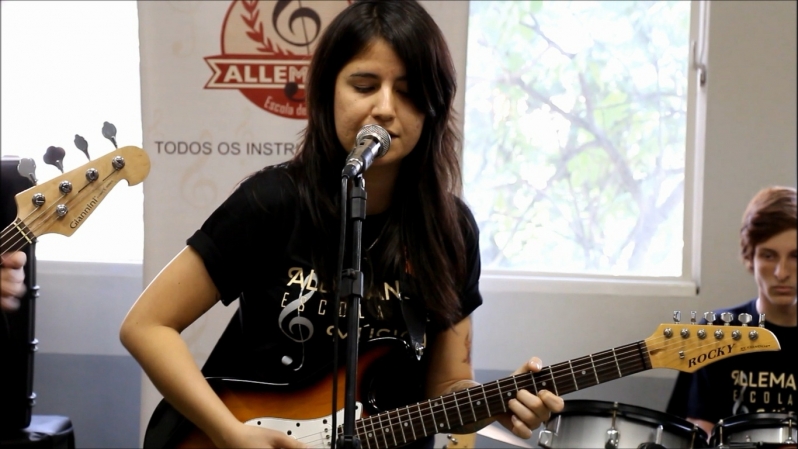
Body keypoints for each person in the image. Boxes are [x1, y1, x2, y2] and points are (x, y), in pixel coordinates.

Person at [119, 1, 564, 448]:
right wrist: (229, 433)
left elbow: (446, 388)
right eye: (364, 85)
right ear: (327, 91)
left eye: (408, 91)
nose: (385, 108)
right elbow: (147, 325)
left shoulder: (451, 230)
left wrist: (498, 402)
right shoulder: (273, 201)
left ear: (433, 107)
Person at [666, 186, 797, 439]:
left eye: (796, 256)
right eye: (768, 256)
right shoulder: (715, 333)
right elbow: (693, 435)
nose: (782, 272)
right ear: (751, 259)